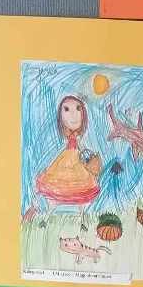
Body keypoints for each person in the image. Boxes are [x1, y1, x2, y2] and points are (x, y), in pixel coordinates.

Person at [36, 95, 100, 230]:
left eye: (78, 109)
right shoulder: (69, 135)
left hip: (76, 159)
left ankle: (82, 220)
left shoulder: (77, 137)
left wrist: (87, 157)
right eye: (66, 109)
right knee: (57, 189)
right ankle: (46, 218)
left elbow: (81, 148)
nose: (73, 115)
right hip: (66, 158)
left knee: (81, 190)